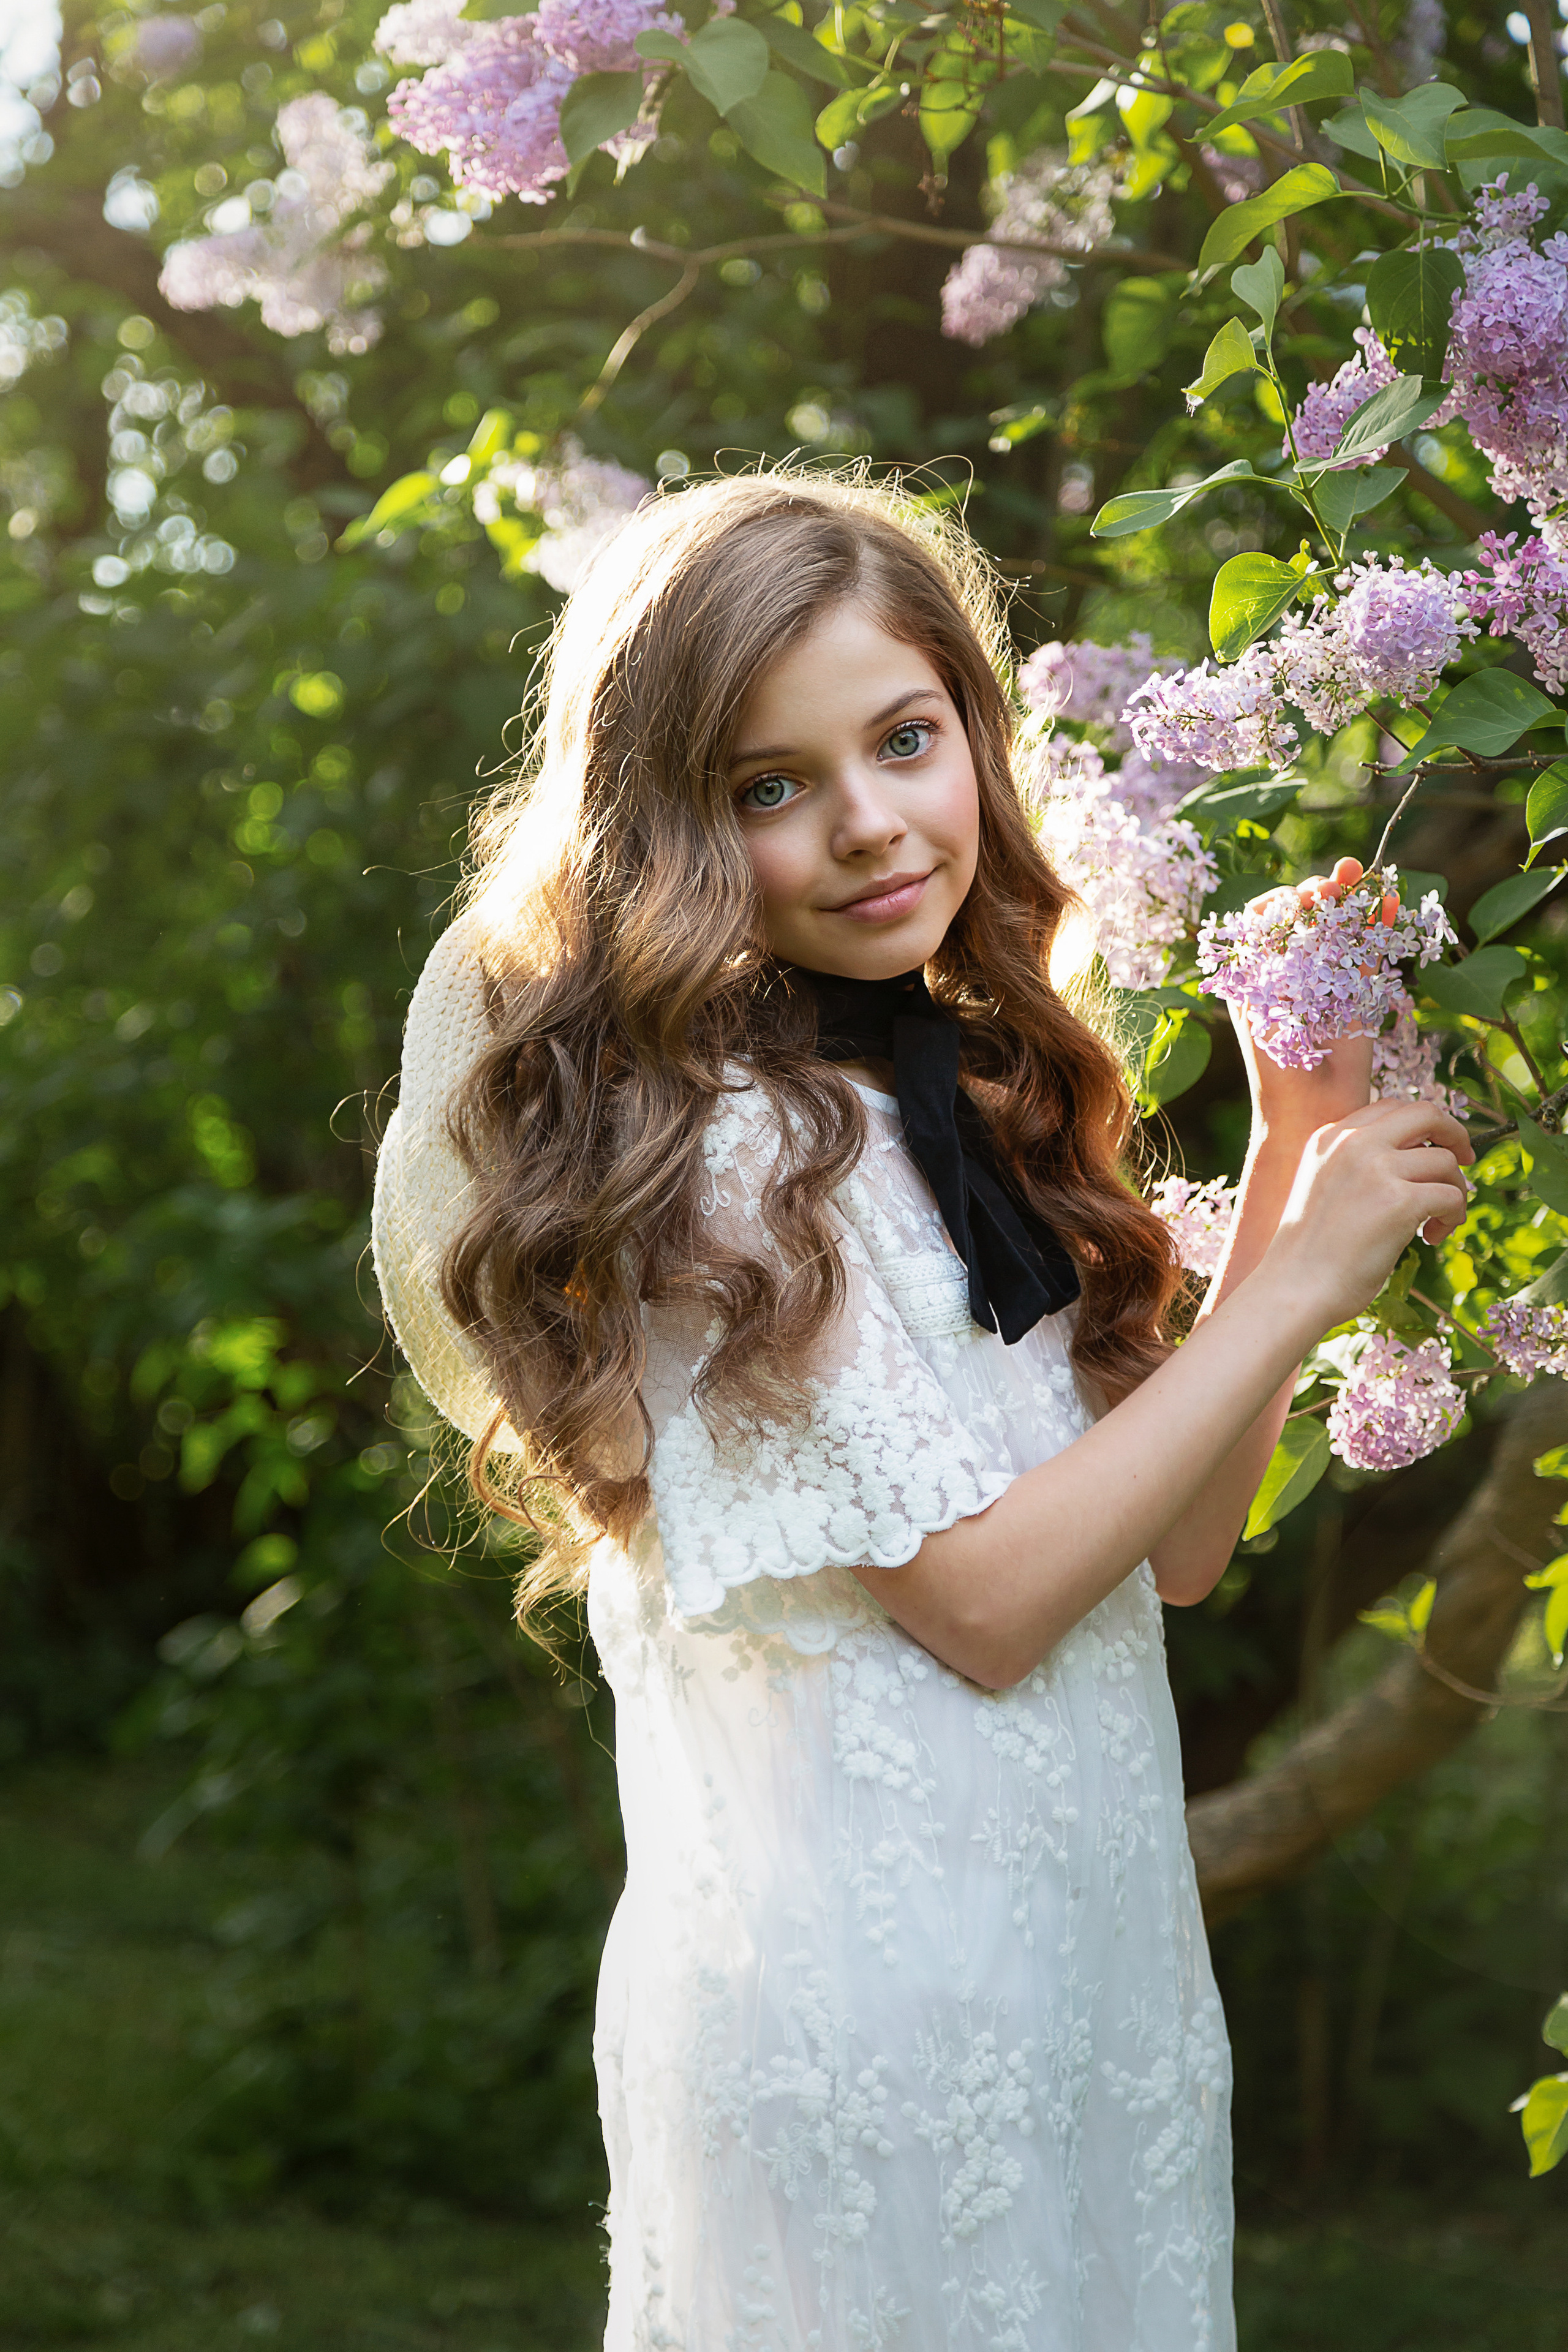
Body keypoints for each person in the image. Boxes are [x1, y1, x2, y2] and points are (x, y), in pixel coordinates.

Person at [371, 470, 1471, 2351]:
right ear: (676, 828)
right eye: (769, 785)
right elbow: (979, 1606)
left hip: (1084, 1975)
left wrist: (1288, 1155)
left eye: (905, 739)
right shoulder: (710, 1161)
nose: (871, 825)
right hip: (859, 2016)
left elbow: (1183, 1544)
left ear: (976, 725)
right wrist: (1302, 1279)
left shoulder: (967, 1094)